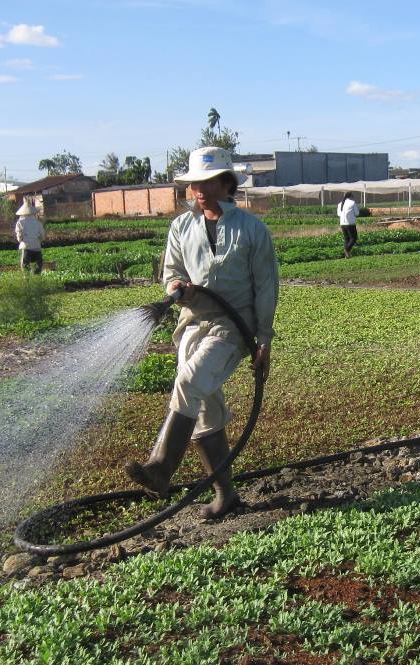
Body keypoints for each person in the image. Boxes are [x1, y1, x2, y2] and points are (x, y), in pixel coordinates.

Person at [125, 146, 279, 520]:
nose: (200, 190)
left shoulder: (251, 229)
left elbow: (266, 286)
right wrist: (178, 286)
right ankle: (225, 494)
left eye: (208, 182)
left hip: (233, 327)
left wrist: (263, 339)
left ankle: (162, 467)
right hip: (193, 324)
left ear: (226, 183)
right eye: (195, 184)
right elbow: (171, 272)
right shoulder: (181, 226)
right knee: (205, 407)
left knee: (190, 381)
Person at [14, 200, 46, 274]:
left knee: (25, 269)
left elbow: (19, 237)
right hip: (37, 247)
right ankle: (37, 282)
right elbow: (42, 236)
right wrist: (38, 241)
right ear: (33, 212)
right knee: (38, 269)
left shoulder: (20, 223)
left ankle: (27, 283)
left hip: (26, 247)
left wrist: (22, 240)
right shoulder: (38, 223)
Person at [337, 192, 359, 258]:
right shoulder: (352, 203)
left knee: (347, 239)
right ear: (351, 196)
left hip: (342, 223)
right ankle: (346, 250)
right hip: (350, 223)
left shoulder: (340, 204)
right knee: (353, 238)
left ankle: (347, 255)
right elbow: (357, 213)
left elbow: (338, 214)